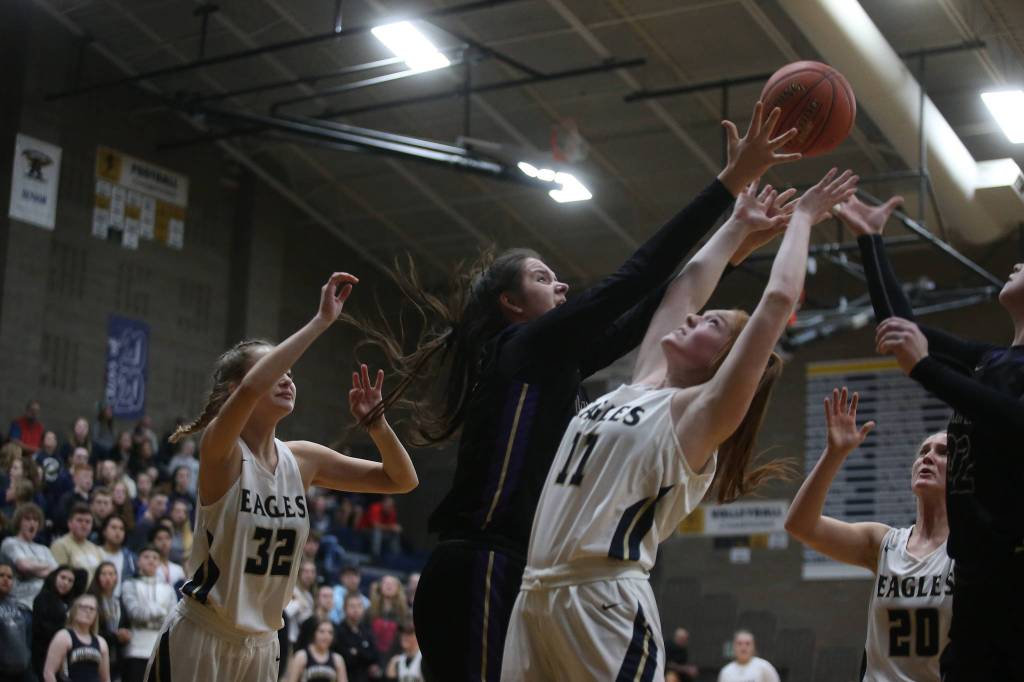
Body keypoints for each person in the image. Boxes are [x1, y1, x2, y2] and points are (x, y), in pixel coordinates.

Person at [350, 102, 802, 681]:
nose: (560, 282)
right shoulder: (526, 349)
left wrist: (735, 239)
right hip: (488, 564)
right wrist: (729, 184)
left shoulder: (550, 364)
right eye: (542, 278)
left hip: (519, 574)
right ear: (512, 306)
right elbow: (634, 277)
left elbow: (657, 310)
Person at [500, 167, 858, 680]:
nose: (692, 319)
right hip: (535, 593)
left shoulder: (701, 414)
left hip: (604, 603)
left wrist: (802, 218)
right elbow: (686, 288)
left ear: (725, 361)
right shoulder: (642, 382)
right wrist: (736, 225)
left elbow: (777, 302)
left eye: (711, 324)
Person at [144, 272, 417, 682]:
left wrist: (378, 426)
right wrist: (321, 322)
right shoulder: (221, 451)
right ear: (236, 389)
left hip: (264, 645)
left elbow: (402, 480)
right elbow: (252, 388)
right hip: (204, 635)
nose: (288, 376)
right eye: (278, 368)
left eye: (290, 371)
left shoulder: (303, 459)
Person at [835, 193, 1024, 678]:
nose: (1017, 263)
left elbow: (1013, 418)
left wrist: (923, 368)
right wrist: (870, 240)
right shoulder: (989, 359)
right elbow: (902, 327)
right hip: (978, 575)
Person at [785, 388, 952, 680]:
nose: (928, 457)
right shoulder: (883, 542)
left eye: (943, 452)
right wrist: (834, 454)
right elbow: (800, 524)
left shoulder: (970, 550)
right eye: (923, 451)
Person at [121, 545, 175, 682]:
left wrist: (148, 614)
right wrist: (161, 610)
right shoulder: (129, 584)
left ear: (159, 562)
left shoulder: (168, 589)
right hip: (135, 649)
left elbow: (172, 620)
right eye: (146, 557)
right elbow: (135, 613)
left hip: (160, 651)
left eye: (155, 558)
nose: (151, 560)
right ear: (138, 561)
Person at [42, 593, 111, 682]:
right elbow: (48, 672)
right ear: (74, 610)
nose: (88, 611)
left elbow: (105, 679)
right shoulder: (63, 637)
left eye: (92, 609)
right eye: (84, 607)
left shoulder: (101, 643)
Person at [2, 502, 58, 608]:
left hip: (42, 603)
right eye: (27, 519)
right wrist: (46, 566)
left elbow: (56, 573)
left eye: (35, 520)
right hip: (17, 602)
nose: (32, 523)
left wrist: (33, 569)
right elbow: (23, 566)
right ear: (19, 522)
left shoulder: (44, 549)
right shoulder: (10, 543)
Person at [32, 566, 84, 680]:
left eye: (70, 581)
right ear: (54, 577)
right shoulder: (42, 598)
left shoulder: (70, 603)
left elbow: (83, 574)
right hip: (43, 655)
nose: (66, 583)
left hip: (65, 657)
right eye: (63, 577)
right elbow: (40, 628)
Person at [87, 562, 131, 679]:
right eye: (104, 574)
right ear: (97, 577)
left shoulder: (118, 601)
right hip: (95, 651)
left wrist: (125, 633)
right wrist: (115, 636)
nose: (108, 578)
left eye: (111, 574)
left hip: (116, 655)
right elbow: (90, 629)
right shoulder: (91, 600)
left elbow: (126, 624)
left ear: (117, 577)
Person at [284, 619, 348, 682]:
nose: (326, 636)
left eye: (330, 632)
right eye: (322, 631)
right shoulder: (301, 656)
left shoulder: (337, 659)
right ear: (314, 633)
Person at [336, 592, 381, 682]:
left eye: (359, 606)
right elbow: (347, 659)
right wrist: (364, 653)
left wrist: (357, 652)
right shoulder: (338, 631)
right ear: (344, 609)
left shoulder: (367, 629)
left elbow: (374, 655)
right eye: (352, 606)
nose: (356, 610)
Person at [0, 561, 33, 681]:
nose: (6, 579)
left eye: (9, 577)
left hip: (22, 669)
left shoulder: (16, 604)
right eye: (1, 575)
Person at [52, 503, 105, 576]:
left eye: (88, 522)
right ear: (69, 523)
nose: (84, 525)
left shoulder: (95, 549)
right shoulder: (60, 545)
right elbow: (60, 578)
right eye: (79, 520)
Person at [98, 515, 137, 598]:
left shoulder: (131, 558)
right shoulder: (94, 553)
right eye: (113, 527)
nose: (118, 532)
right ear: (104, 531)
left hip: (121, 604)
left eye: (121, 529)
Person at [298, 584, 338, 651]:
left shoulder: (335, 625)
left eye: (331, 596)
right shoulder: (308, 623)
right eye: (325, 596)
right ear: (317, 599)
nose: (328, 600)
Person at [148, 525, 185, 591]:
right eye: (159, 539)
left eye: (167, 538)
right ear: (153, 542)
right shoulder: (150, 567)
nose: (164, 542)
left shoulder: (178, 569)